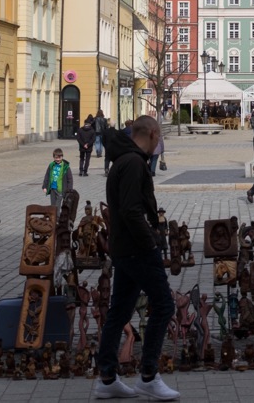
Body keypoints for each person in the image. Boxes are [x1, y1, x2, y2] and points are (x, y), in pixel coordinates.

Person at [94, 116, 178, 401]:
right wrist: (151, 242)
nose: (159, 142)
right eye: (160, 137)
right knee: (164, 306)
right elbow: (131, 210)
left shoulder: (125, 160)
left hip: (124, 248)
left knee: (119, 311)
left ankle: (107, 378)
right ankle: (148, 375)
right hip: (136, 249)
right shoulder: (132, 163)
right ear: (153, 134)